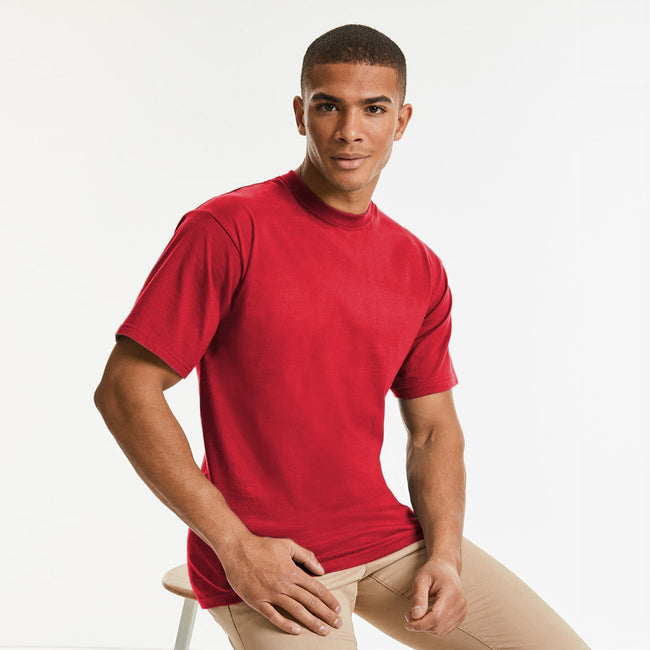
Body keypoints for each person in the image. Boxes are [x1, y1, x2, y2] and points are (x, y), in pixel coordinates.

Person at [94, 24, 590, 650]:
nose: (350, 130)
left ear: (401, 121)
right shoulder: (228, 228)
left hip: (386, 540)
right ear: (300, 114)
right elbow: (126, 390)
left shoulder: (418, 266)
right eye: (329, 106)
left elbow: (433, 430)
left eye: (373, 109)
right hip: (270, 558)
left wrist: (445, 556)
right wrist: (234, 545)